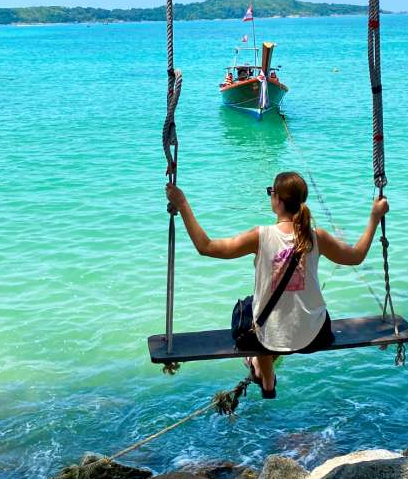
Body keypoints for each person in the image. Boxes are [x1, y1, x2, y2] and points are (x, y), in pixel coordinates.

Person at [165, 171, 389, 399]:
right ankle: (265, 373)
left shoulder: (260, 236)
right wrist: (373, 217)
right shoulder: (317, 236)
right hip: (315, 335)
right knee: (267, 309)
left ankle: (266, 377)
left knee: (248, 310)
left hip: (269, 339)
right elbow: (356, 256)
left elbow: (206, 246)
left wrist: (182, 204)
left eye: (270, 192)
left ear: (277, 200)